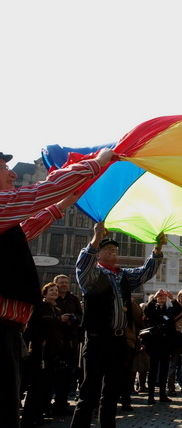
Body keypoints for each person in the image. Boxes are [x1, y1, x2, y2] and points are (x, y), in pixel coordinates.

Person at [0, 148, 115, 428]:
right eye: (4, 168)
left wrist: (61, 205)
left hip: (8, 332)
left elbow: (25, 229)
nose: (13, 174)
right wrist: (97, 162)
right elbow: (39, 193)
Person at [70, 222, 166, 428]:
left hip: (118, 341)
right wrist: (96, 238)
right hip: (97, 339)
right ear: (98, 255)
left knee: (111, 392)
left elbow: (144, 272)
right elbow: (82, 264)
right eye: (107, 248)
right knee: (89, 392)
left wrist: (157, 249)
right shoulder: (92, 274)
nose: (113, 250)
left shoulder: (122, 274)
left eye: (115, 248)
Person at [21, 282, 64, 428]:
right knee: (36, 386)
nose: (55, 292)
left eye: (56, 290)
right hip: (39, 353)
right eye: (51, 290)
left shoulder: (57, 310)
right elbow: (29, 329)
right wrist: (40, 341)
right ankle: (28, 418)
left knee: (45, 387)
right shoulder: (39, 308)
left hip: (53, 353)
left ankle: (39, 415)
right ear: (44, 293)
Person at [143, 289, 182, 404]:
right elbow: (146, 311)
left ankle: (162, 394)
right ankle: (151, 395)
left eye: (163, 297)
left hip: (166, 344)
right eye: (160, 297)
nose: (161, 299)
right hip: (154, 344)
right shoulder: (153, 309)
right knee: (153, 370)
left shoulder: (168, 310)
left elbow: (178, 309)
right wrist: (154, 298)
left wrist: (172, 298)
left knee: (164, 370)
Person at [53, 274, 83, 415]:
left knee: (68, 373)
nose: (64, 284)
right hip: (55, 339)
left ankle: (62, 402)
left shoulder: (73, 299)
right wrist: (59, 319)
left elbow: (81, 316)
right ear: (56, 284)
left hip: (71, 340)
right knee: (53, 373)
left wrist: (74, 319)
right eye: (61, 282)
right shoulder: (52, 298)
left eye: (66, 282)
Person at [167, 289, 182, 396]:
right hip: (176, 337)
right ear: (178, 297)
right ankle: (170, 387)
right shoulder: (174, 308)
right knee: (173, 364)